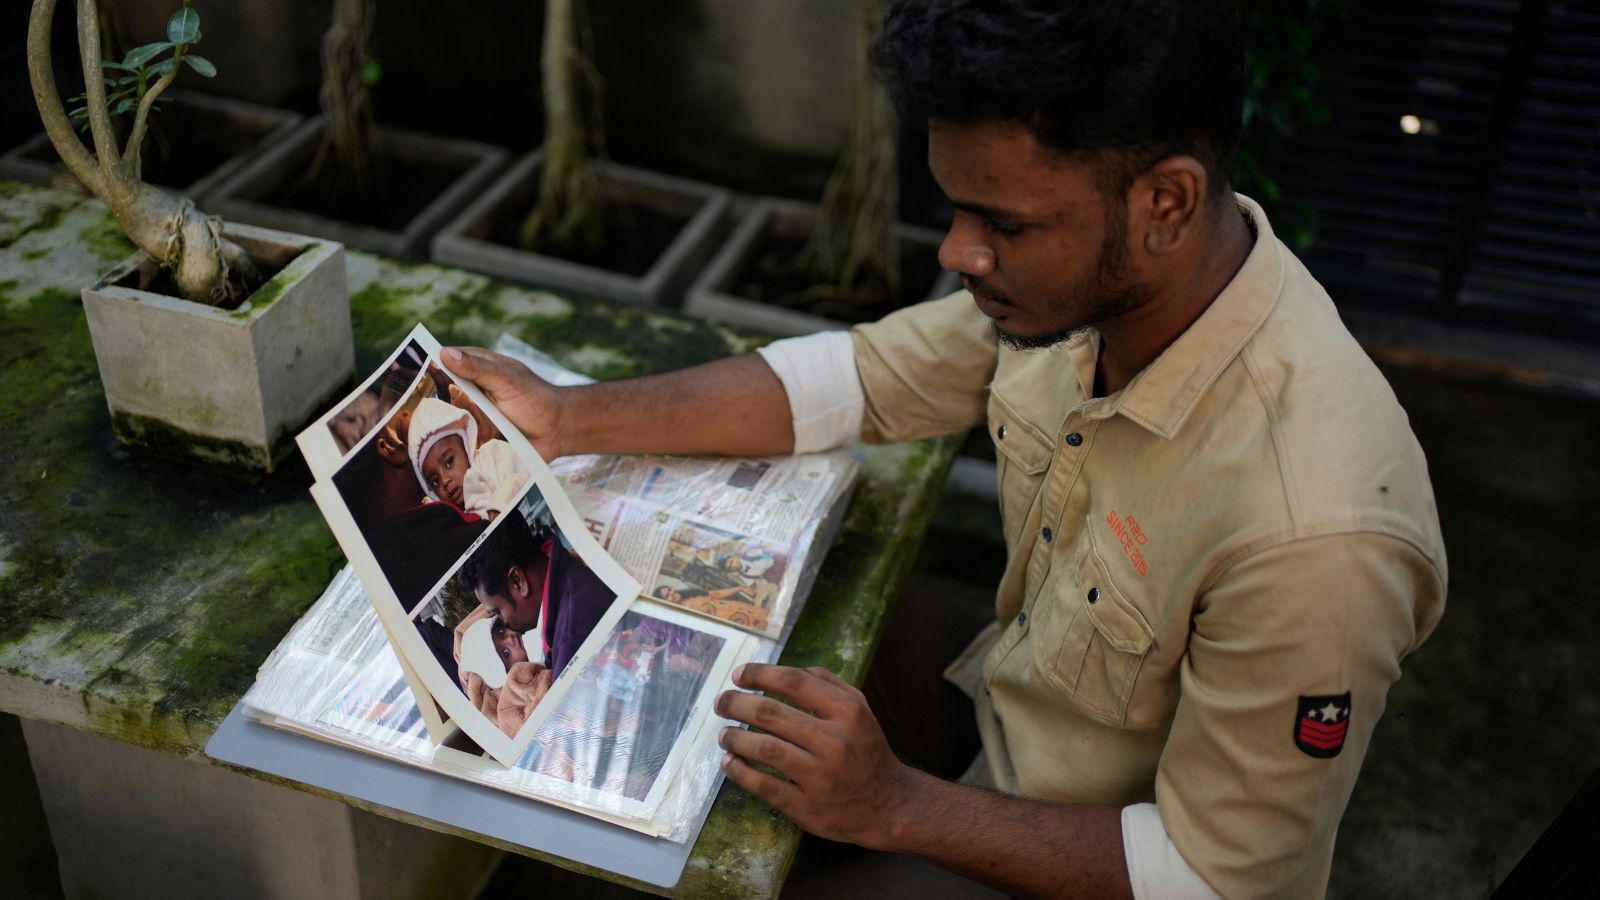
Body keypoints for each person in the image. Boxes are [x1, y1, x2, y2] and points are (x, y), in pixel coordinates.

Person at [438, 2, 1447, 896]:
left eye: (1000, 222)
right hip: (1006, 702)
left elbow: (1212, 878)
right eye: (955, 207)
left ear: (1165, 205)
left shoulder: (1316, 537)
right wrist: (569, 418)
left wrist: (892, 807)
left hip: (1113, 864)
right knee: (683, 643)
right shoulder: (1088, 296)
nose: (956, 253)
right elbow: (860, 380)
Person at [454, 510, 617, 684]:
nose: (505, 624)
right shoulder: (562, 570)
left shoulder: (570, 641)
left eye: (497, 612)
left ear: (518, 581)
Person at [407, 396, 530, 520]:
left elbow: (527, 472)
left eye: (449, 462)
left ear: (466, 446)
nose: (444, 481)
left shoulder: (491, 455)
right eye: (435, 481)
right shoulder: (452, 519)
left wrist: (501, 502)